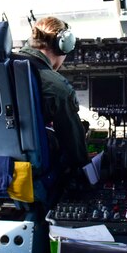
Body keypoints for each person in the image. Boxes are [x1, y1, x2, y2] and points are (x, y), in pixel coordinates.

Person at [16, 17, 88, 173]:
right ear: (64, 46)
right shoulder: (56, 86)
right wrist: (85, 164)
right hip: (30, 171)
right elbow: (73, 143)